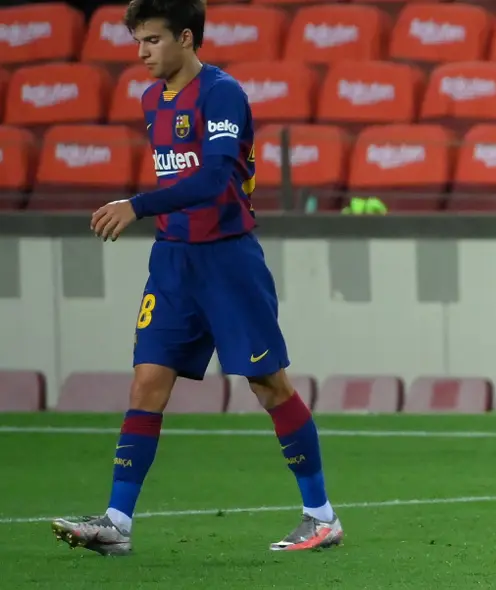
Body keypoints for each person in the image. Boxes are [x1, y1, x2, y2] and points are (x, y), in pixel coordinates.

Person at [50, 0, 343, 555]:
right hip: (173, 262)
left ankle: (320, 515)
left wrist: (135, 205)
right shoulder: (149, 100)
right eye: (138, 42)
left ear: (186, 38)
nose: (141, 53)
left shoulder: (221, 93)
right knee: (146, 382)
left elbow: (212, 178)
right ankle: (116, 522)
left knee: (267, 384)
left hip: (227, 261)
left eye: (153, 40)